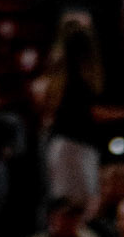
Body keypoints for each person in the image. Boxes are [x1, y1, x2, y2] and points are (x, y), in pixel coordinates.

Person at [35, 14, 109, 209]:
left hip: (67, 147)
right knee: (74, 208)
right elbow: (92, 113)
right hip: (72, 149)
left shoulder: (60, 74)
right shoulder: (74, 80)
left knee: (74, 205)